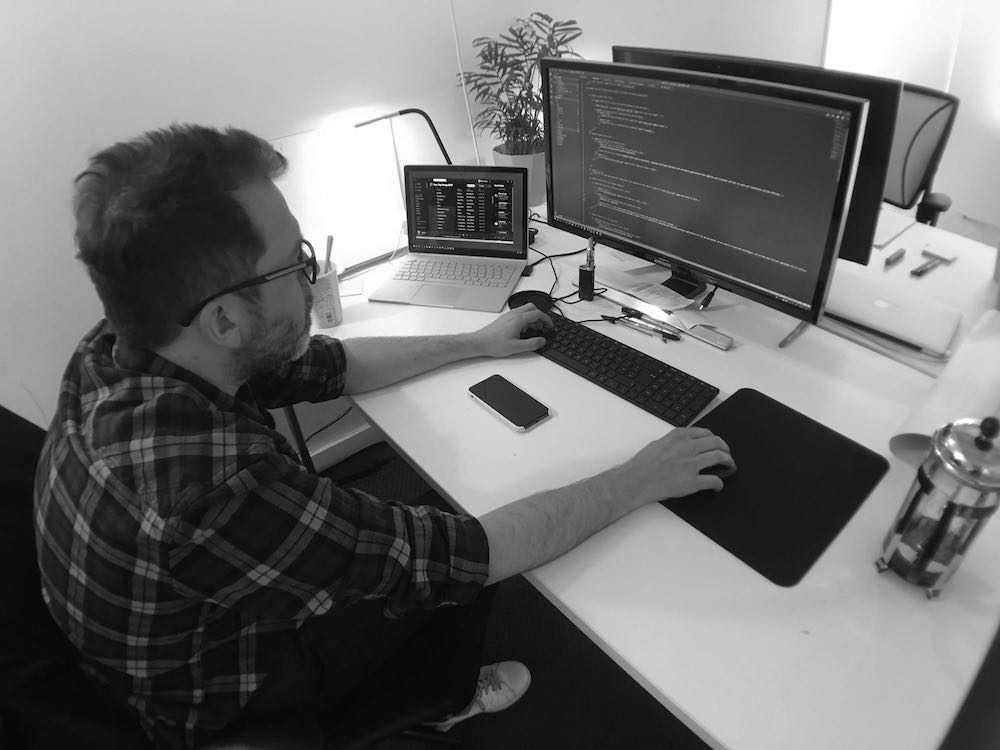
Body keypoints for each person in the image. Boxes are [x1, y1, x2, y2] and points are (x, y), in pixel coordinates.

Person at [33, 124, 733, 749]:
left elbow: (328, 365)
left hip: (170, 634)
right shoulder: (212, 491)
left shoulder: (126, 349)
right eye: (294, 265)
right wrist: (638, 478)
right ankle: (446, 702)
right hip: (227, 696)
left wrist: (476, 341)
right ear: (224, 320)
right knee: (459, 539)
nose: (312, 281)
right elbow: (464, 554)